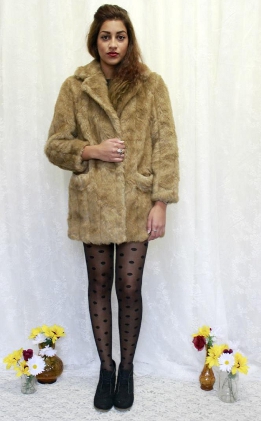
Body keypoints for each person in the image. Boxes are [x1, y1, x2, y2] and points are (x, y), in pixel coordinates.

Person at [45, 4, 179, 411]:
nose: (113, 44)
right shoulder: (75, 86)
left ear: (129, 40)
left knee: (130, 287)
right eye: (106, 36)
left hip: (138, 201)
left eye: (120, 36)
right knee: (99, 285)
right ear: (95, 40)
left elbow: (166, 146)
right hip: (95, 202)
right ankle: (107, 369)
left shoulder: (151, 85)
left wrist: (161, 201)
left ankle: (128, 370)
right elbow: (54, 145)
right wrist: (92, 150)